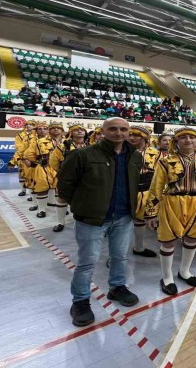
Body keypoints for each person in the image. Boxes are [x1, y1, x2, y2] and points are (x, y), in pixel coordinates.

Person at [57, 117, 141, 327]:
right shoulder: (83, 155)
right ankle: (80, 301)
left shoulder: (135, 156)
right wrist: (83, 205)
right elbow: (65, 184)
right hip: (91, 219)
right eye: (113, 129)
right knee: (87, 262)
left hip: (123, 217)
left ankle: (117, 287)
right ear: (102, 131)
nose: (118, 133)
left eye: (123, 129)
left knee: (120, 257)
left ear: (128, 132)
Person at [144, 128, 196, 296]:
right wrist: (151, 212)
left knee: (193, 238)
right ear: (176, 141)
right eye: (183, 137)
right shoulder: (166, 161)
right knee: (169, 241)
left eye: (191, 137)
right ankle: (167, 277)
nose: (188, 140)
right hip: (173, 203)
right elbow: (156, 187)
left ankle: (184, 271)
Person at [127, 125, 160, 256]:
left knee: (140, 220)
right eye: (130, 135)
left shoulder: (155, 153)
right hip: (125, 190)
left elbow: (159, 174)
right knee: (120, 222)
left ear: (144, 138)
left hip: (145, 190)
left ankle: (138, 247)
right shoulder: (122, 151)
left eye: (136, 135)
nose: (131, 137)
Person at [49, 122, 88, 232]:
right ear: (71, 133)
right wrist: (64, 173)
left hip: (85, 178)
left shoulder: (91, 146)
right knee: (62, 198)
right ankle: (60, 222)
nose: (79, 131)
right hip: (67, 178)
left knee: (84, 199)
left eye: (82, 130)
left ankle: (81, 221)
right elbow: (53, 161)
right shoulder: (63, 146)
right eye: (76, 130)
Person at [25, 121, 64, 218]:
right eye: (53, 128)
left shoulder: (67, 142)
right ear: (49, 131)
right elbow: (29, 154)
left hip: (62, 168)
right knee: (42, 187)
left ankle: (61, 209)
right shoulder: (39, 141)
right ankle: (42, 210)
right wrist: (36, 161)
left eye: (58, 128)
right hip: (44, 167)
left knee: (60, 189)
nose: (56, 129)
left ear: (62, 130)